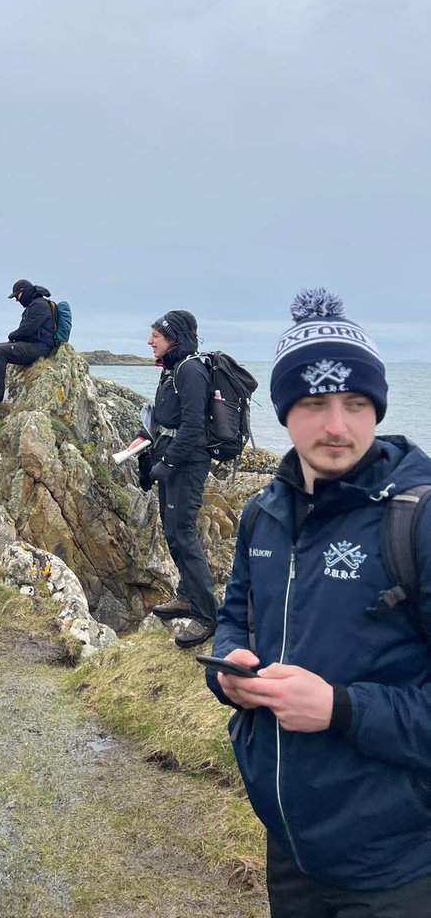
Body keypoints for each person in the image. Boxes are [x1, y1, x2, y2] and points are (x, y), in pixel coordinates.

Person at [207, 289, 431, 915]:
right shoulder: (263, 514)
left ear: (377, 406)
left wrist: (339, 709)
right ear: (284, 412)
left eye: (356, 403)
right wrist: (230, 674)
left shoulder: (419, 520)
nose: (337, 425)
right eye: (314, 403)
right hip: (290, 841)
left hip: (398, 863)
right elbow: (233, 619)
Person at [139, 309, 218, 648]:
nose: (149, 341)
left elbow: (193, 428)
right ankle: (186, 595)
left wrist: (168, 464)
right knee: (172, 531)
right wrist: (147, 448)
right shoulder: (172, 369)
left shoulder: (191, 371)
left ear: (173, 338)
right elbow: (166, 421)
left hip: (188, 463)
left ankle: (206, 615)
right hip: (172, 459)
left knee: (184, 533)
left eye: (155, 335)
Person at [0, 279, 56, 409]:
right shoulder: (33, 305)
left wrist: (12, 336)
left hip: (40, 348)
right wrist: (15, 338)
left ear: (24, 292)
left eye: (17, 296)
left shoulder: (40, 305)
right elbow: (26, 331)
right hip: (30, 344)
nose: (17, 300)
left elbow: (27, 330)